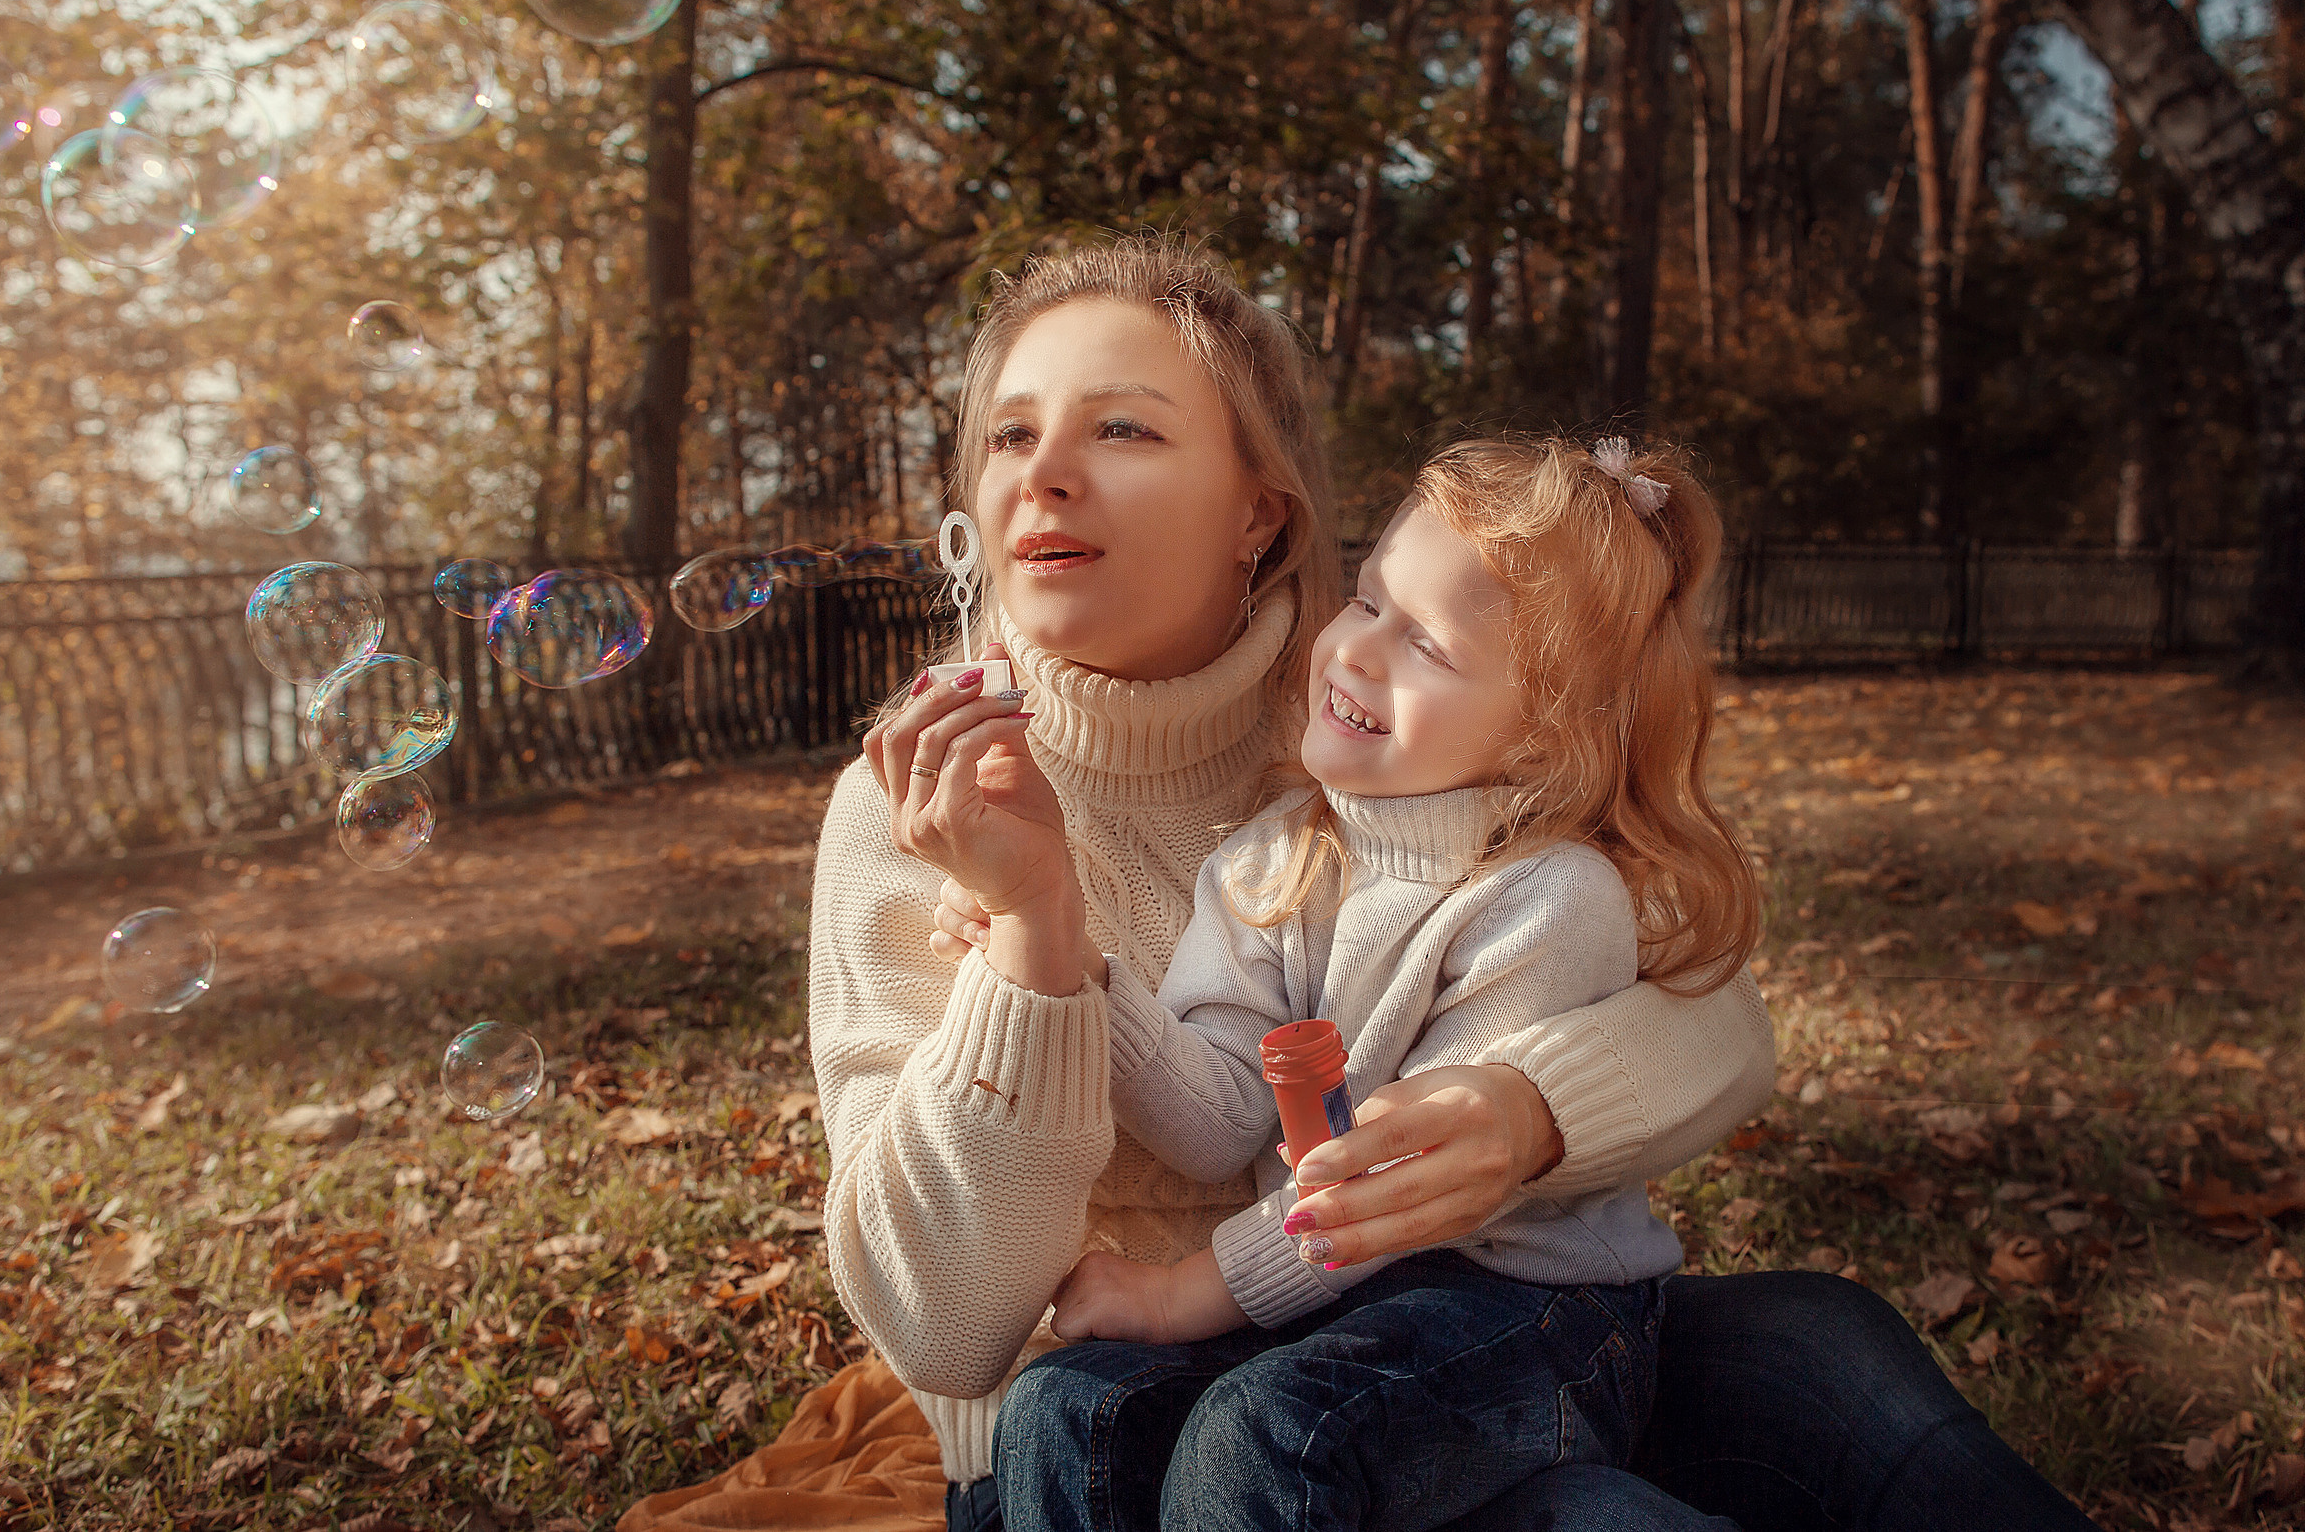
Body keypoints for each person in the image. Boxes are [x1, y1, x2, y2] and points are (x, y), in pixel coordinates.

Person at [617, 236, 2096, 1532]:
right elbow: (945, 1322)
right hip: (1126, 1411)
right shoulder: (924, 808)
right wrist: (1034, 940)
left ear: (1261, 513)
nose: (1045, 470)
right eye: (1010, 432)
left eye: (1121, 425)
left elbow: (1717, 1018)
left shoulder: (1379, 717)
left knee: (1822, 1346)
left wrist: (1532, 1108)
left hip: (1421, 1325)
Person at [974, 433, 1758, 1532]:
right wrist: (1068, 957)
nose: (1358, 651)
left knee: (1265, 1434)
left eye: (1426, 644)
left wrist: (1183, 1293)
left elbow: (1398, 1200)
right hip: (1330, 1307)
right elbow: (1216, 1122)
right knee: (1065, 1408)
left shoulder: (1548, 897)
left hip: (1533, 1318)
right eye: (1369, 599)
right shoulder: (1273, 859)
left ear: (1546, 739)